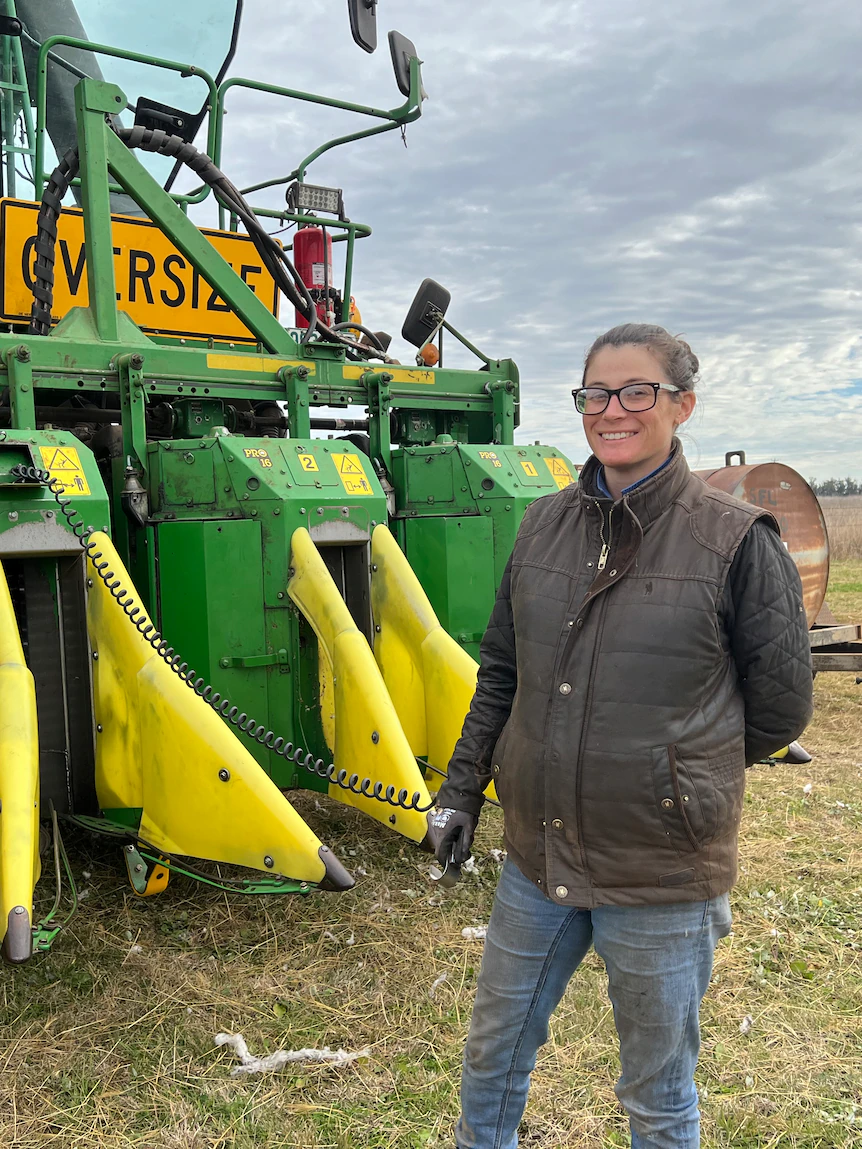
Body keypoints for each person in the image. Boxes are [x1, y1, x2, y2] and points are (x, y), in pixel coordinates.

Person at [429, 324, 814, 1149]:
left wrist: (672, 776)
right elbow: (502, 673)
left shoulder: (738, 541)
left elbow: (781, 707)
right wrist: (460, 790)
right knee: (493, 1054)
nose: (613, 410)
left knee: (658, 1087)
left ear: (682, 403)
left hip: (660, 871)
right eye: (595, 394)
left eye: (636, 391)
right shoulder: (540, 528)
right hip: (537, 857)